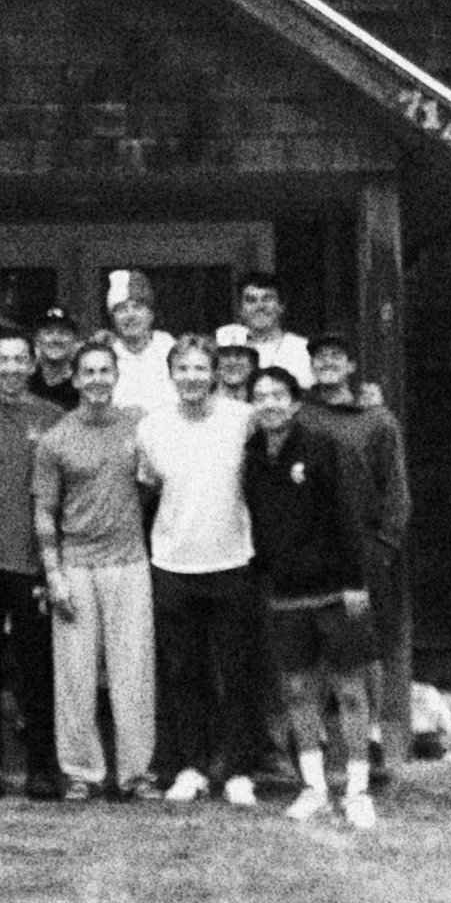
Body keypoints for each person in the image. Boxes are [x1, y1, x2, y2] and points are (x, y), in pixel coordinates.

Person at [135, 334, 271, 805]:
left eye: (200, 368)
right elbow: (148, 489)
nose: (191, 377)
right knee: (182, 671)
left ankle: (236, 769)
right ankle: (191, 766)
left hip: (232, 560)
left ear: (214, 373)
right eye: (183, 369)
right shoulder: (152, 428)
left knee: (236, 671)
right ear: (170, 374)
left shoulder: (243, 420)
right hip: (173, 563)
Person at [244, 366, 380, 827]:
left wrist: (355, 582)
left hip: (334, 590)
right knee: (298, 691)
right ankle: (315, 787)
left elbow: (349, 515)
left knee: (349, 690)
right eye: (260, 396)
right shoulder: (253, 454)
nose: (270, 404)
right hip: (285, 594)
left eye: (278, 395)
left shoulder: (324, 447)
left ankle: (358, 789)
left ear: (295, 402)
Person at [32, 341, 158, 800]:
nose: (98, 379)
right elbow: (45, 511)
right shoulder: (56, 438)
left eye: (105, 370)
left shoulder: (139, 424)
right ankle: (81, 772)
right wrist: (54, 575)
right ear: (75, 378)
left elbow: (155, 480)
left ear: (116, 375)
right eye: (89, 371)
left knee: (134, 672)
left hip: (128, 561)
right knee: (75, 675)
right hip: (76, 565)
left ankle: (136, 774)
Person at [0, 333, 69, 799]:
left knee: (36, 670)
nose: (10, 368)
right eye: (1, 360)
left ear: (32, 365)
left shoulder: (52, 416)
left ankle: (42, 767)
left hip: (33, 562)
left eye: (19, 360)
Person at [304, 334, 409, 783]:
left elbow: (397, 491)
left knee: (365, 649)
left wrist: (384, 546)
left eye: (335, 357)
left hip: (364, 549)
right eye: (319, 358)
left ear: (350, 365)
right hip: (310, 549)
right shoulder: (300, 416)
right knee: (314, 650)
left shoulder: (377, 420)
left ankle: (371, 738)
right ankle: (321, 744)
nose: (327, 364)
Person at [104, 269, 177, 416]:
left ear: (151, 314)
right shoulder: (106, 354)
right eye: (122, 309)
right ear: (113, 319)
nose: (130, 316)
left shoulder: (170, 349)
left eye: (138, 307)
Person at [216, 271, 310, 377]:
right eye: (251, 300)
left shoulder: (301, 349)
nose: (260, 307)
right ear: (240, 310)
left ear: (281, 306)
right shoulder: (226, 350)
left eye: (267, 299)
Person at [28, 306, 84, 410]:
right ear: (37, 339)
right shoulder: (27, 380)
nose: (56, 339)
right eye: (48, 333)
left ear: (75, 339)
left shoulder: (84, 383)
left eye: (63, 333)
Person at [212, 325, 259, 402]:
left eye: (239, 354)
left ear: (252, 363)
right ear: (216, 364)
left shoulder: (262, 405)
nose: (232, 361)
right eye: (226, 354)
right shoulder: (203, 404)